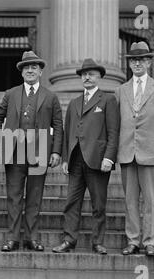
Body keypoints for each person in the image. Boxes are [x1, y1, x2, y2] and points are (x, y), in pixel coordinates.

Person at [0, 51, 63, 252]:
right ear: (21, 72)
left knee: (34, 196)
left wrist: (56, 152)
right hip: (14, 152)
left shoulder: (50, 97)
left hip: (40, 152)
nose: (30, 70)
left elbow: (58, 125)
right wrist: (0, 143)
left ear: (40, 71)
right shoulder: (11, 94)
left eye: (34, 67)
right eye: (26, 67)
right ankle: (12, 238)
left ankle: (32, 238)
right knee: (14, 197)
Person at [52, 58, 120, 255]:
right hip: (75, 159)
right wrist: (65, 158)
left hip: (98, 159)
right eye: (84, 74)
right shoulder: (74, 103)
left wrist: (109, 157)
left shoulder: (108, 100)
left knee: (99, 203)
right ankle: (69, 240)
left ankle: (97, 242)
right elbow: (67, 131)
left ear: (99, 76)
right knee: (71, 202)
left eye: (91, 74)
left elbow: (113, 132)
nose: (87, 77)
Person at [115, 42, 154, 257]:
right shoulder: (121, 90)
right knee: (130, 200)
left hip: (150, 151)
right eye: (133, 60)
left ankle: (150, 241)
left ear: (149, 62)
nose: (137, 63)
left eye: (141, 59)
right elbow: (115, 121)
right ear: (129, 63)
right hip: (127, 150)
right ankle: (133, 240)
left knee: (150, 200)